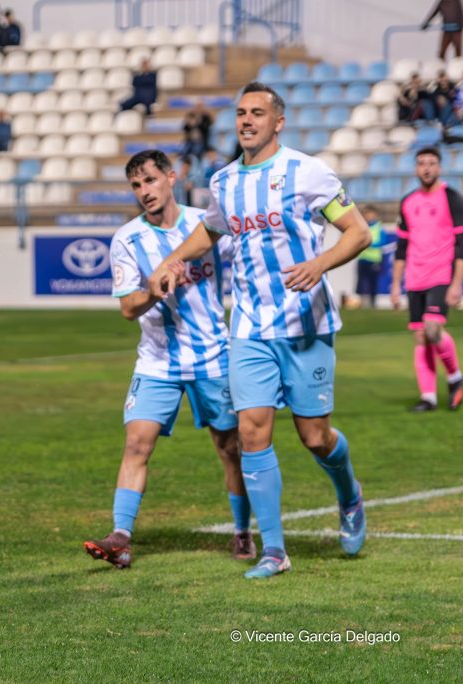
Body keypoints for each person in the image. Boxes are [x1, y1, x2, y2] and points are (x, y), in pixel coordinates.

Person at [148, 82, 373, 579]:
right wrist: (171, 259)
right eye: (241, 113)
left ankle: (349, 494)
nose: (247, 120)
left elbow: (359, 232)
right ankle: (275, 550)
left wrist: (320, 263)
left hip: (305, 325)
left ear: (278, 122)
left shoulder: (307, 171)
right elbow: (211, 228)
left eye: (258, 113)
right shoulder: (224, 180)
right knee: (251, 433)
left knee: (315, 437)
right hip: (248, 327)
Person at [83, 149, 251, 570]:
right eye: (137, 185)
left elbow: (244, 261)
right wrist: (152, 291)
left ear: (171, 177)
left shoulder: (205, 225)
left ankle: (243, 531)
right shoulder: (127, 238)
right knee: (137, 444)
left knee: (230, 449)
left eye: (151, 181)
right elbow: (127, 308)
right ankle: (120, 537)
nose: (145, 191)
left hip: (213, 357)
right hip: (157, 361)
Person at [391, 147, 463, 412]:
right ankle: (429, 397)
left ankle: (455, 377)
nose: (427, 168)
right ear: (416, 168)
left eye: (432, 163)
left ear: (439, 168)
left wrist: (457, 284)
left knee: (433, 330)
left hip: (440, 275)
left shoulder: (452, 198)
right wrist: (395, 284)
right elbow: (401, 246)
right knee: (421, 337)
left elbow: (461, 244)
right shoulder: (408, 201)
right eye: (421, 163)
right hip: (414, 277)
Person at [355, 206, 393, 309]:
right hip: (363, 259)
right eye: (366, 214)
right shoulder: (361, 227)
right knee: (362, 282)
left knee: (373, 282)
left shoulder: (379, 228)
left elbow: (382, 242)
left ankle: (372, 303)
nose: (368, 217)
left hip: (374, 260)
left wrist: (368, 244)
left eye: (370, 214)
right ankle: (362, 303)